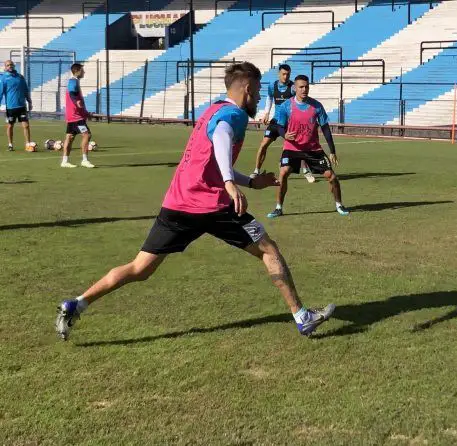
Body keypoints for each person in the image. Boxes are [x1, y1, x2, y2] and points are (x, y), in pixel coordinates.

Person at [55, 62, 335, 341]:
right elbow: (223, 136)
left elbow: (213, 158)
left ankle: (77, 303)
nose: (261, 97)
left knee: (139, 269)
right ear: (247, 88)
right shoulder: (233, 115)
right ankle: (302, 316)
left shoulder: (211, 110)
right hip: (211, 205)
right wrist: (229, 184)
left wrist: (249, 182)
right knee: (268, 250)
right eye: (259, 90)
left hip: (177, 202)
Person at [266, 74, 350, 218]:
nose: (304, 89)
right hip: (292, 148)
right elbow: (279, 126)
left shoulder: (316, 106)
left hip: (313, 149)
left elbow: (325, 128)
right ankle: (278, 207)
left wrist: (332, 151)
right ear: (295, 88)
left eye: (306, 87)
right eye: (301, 87)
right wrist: (284, 135)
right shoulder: (286, 106)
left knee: (332, 177)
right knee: (283, 173)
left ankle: (339, 205)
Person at [252, 64, 315, 184]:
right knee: (264, 144)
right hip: (276, 121)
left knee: (300, 146)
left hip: (290, 122)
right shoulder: (272, 86)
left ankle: (306, 170)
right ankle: (256, 170)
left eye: (288, 74)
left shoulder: (293, 88)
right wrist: (266, 113)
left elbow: (301, 100)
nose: (286, 76)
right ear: (278, 74)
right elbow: (270, 98)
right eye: (284, 74)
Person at [61, 63, 94, 168]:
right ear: (77, 71)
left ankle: (64, 161)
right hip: (76, 117)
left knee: (69, 137)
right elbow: (71, 92)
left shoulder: (75, 82)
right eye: (82, 70)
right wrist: (76, 101)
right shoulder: (73, 81)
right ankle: (84, 160)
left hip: (74, 116)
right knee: (86, 135)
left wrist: (86, 113)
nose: (84, 72)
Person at [0, 60, 34, 152]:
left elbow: (25, 90)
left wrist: (29, 101)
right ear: (5, 67)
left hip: (22, 106)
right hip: (11, 107)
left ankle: (28, 144)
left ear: (14, 65)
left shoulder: (20, 77)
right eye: (8, 65)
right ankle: (10, 145)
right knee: (10, 126)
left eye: (11, 64)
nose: (10, 66)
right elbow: (1, 92)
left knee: (26, 126)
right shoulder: (3, 78)